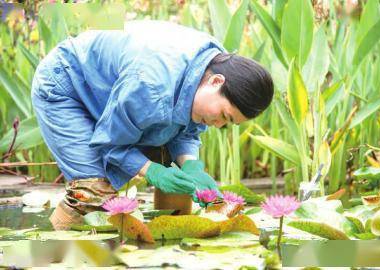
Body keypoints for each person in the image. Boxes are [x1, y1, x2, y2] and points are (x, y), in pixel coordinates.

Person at [31, 20, 274, 230]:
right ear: (215, 82)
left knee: (179, 179)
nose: (218, 123)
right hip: (68, 86)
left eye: (226, 124)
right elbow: (110, 142)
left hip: (121, 95)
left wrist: (192, 168)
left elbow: (185, 126)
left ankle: (168, 248)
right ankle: (53, 253)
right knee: (91, 195)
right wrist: (153, 172)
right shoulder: (151, 85)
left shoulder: (214, 64)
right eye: (223, 114)